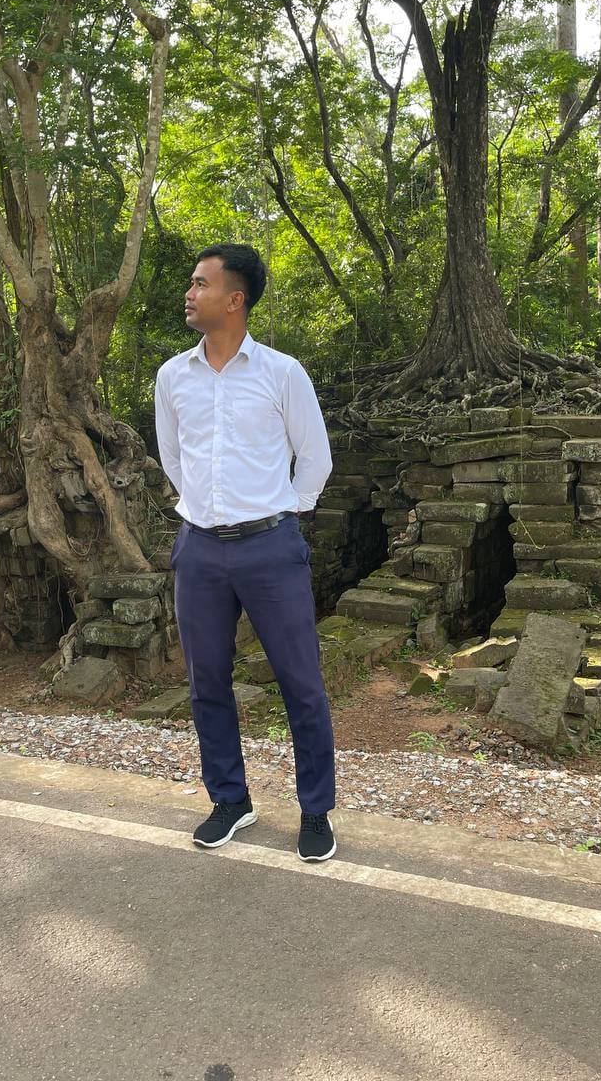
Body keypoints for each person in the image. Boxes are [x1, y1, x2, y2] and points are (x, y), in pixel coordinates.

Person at [154, 244, 337, 862]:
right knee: (207, 681)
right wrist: (206, 511)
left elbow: (315, 457)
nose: (189, 293)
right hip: (200, 551)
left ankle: (315, 811)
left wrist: (284, 512)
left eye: (200, 283)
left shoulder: (281, 373)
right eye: (191, 283)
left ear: (235, 299)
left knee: (300, 683)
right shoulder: (173, 376)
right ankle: (230, 800)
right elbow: (173, 456)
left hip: (271, 549)